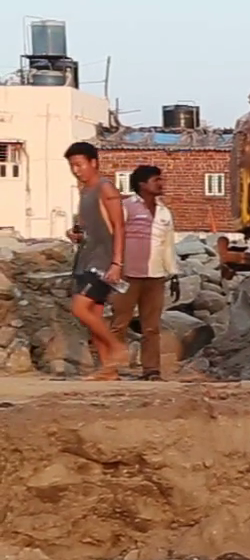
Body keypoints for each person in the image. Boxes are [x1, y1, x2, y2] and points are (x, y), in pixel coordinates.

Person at [63, 142, 128, 379]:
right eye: (72, 166)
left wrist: (117, 263)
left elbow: (120, 227)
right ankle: (108, 369)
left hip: (103, 261)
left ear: (94, 163)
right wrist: (76, 234)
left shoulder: (106, 188)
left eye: (80, 165)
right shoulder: (84, 192)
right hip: (86, 257)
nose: (76, 170)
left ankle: (117, 347)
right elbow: (89, 228)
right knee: (95, 316)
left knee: (80, 309)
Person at [110, 165, 179, 381]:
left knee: (152, 327)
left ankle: (151, 370)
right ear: (141, 184)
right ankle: (110, 368)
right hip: (127, 274)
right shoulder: (126, 207)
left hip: (155, 276)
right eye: (156, 180)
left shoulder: (164, 212)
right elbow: (112, 236)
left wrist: (173, 273)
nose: (161, 184)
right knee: (119, 323)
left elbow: (167, 245)